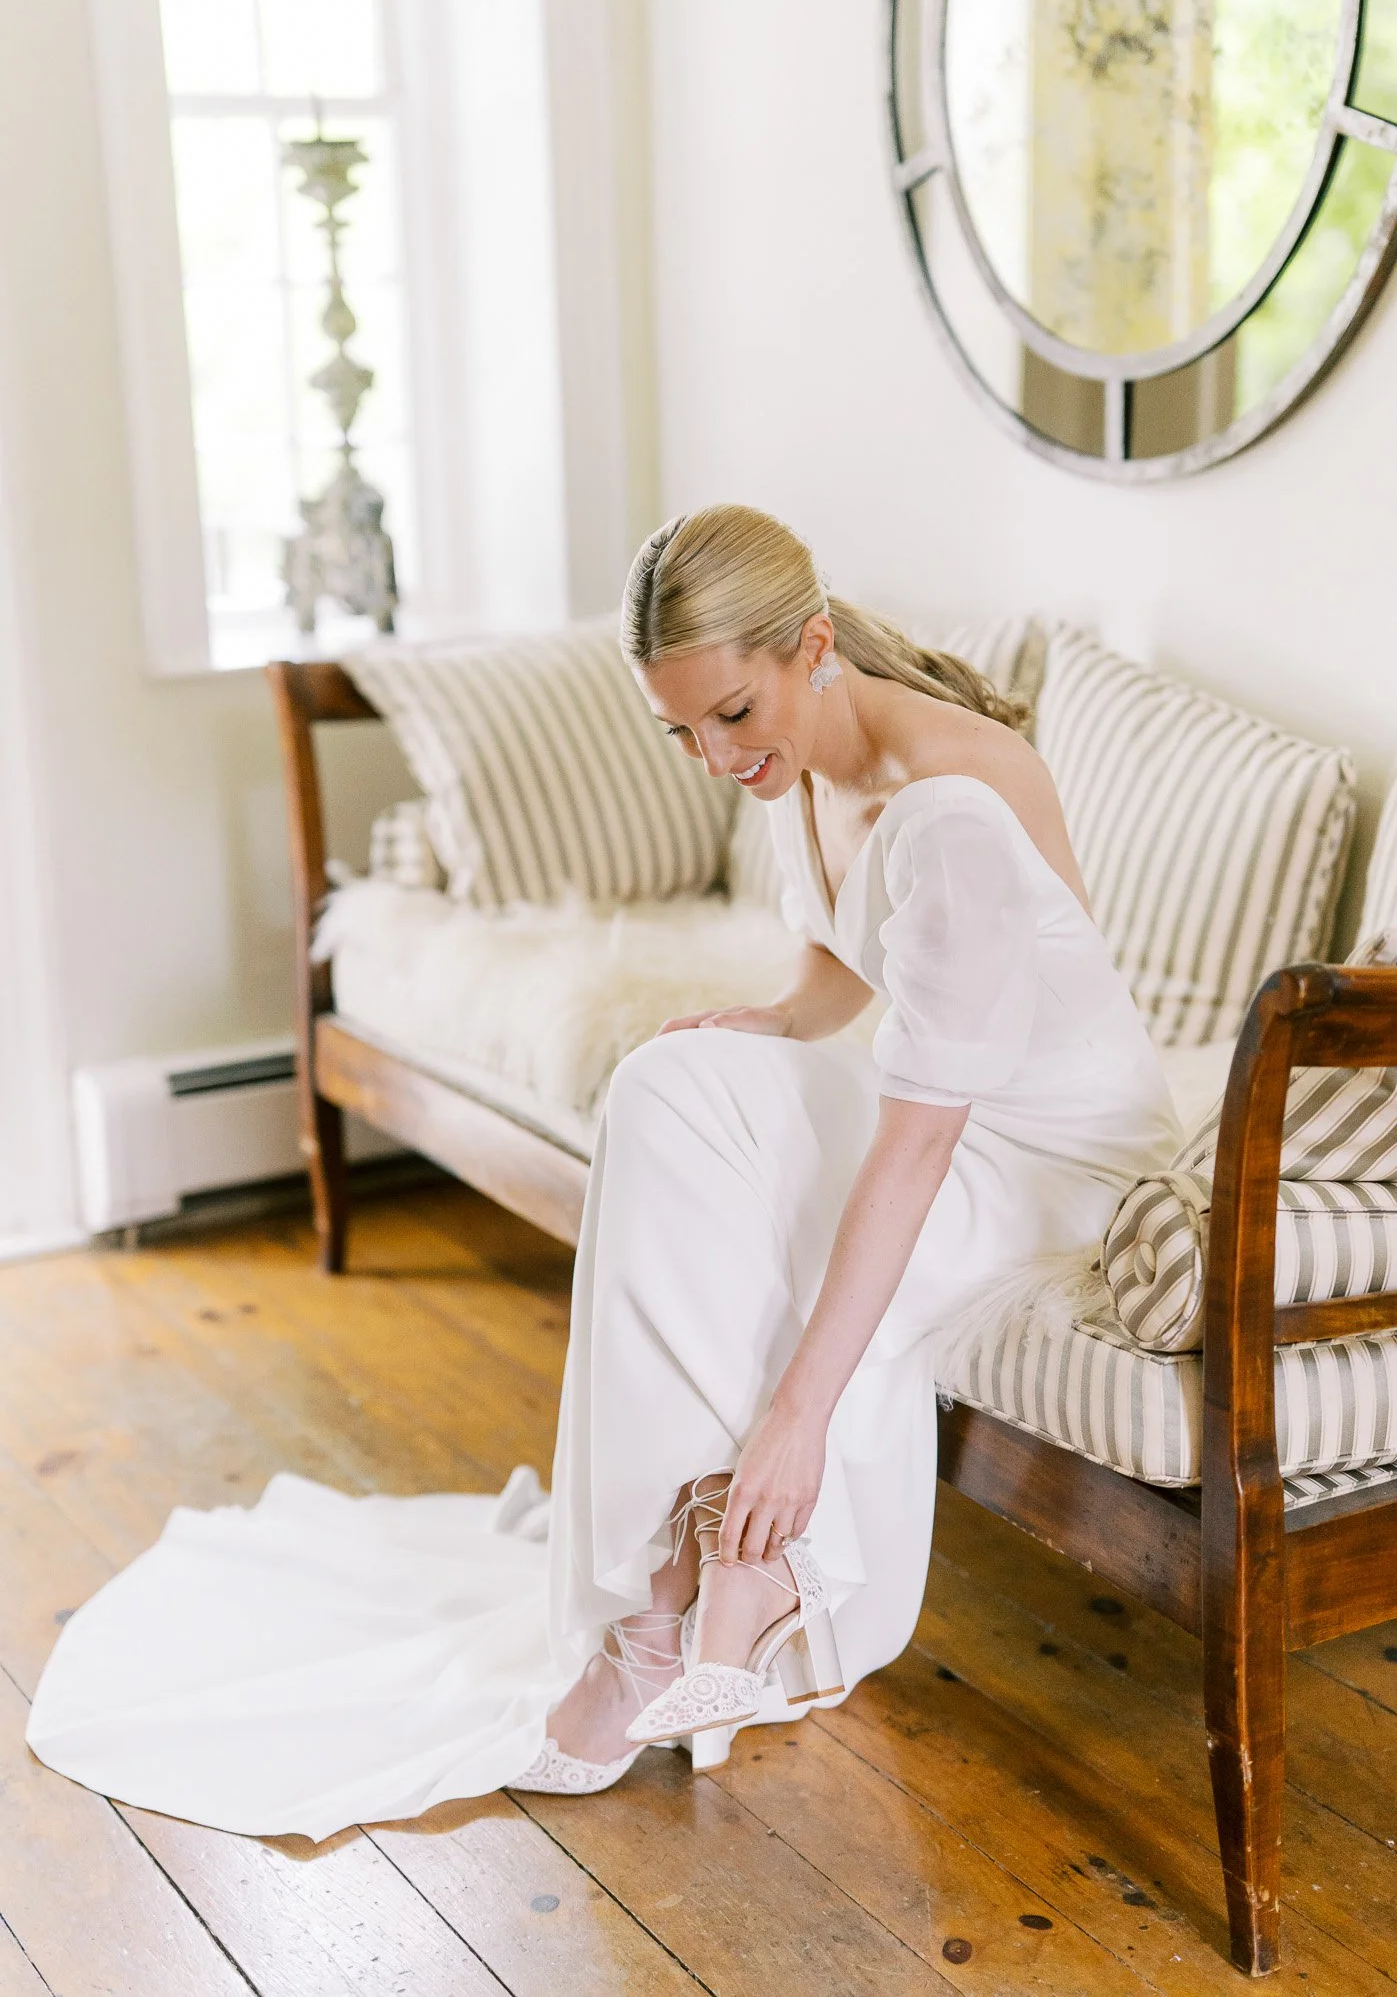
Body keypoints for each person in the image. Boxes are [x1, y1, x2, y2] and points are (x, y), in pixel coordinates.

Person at [26, 506, 1178, 1836]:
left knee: (806, 1235)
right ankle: (673, 1579)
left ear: (813, 649)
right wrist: (761, 1033)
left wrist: (798, 1417)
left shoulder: (953, 810)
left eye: (731, 716)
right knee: (669, 1087)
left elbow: (917, 1150)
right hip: (947, 1104)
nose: (712, 758)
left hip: (1054, 1163)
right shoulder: (801, 755)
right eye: (679, 732)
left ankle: (730, 1579)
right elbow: (842, 968)